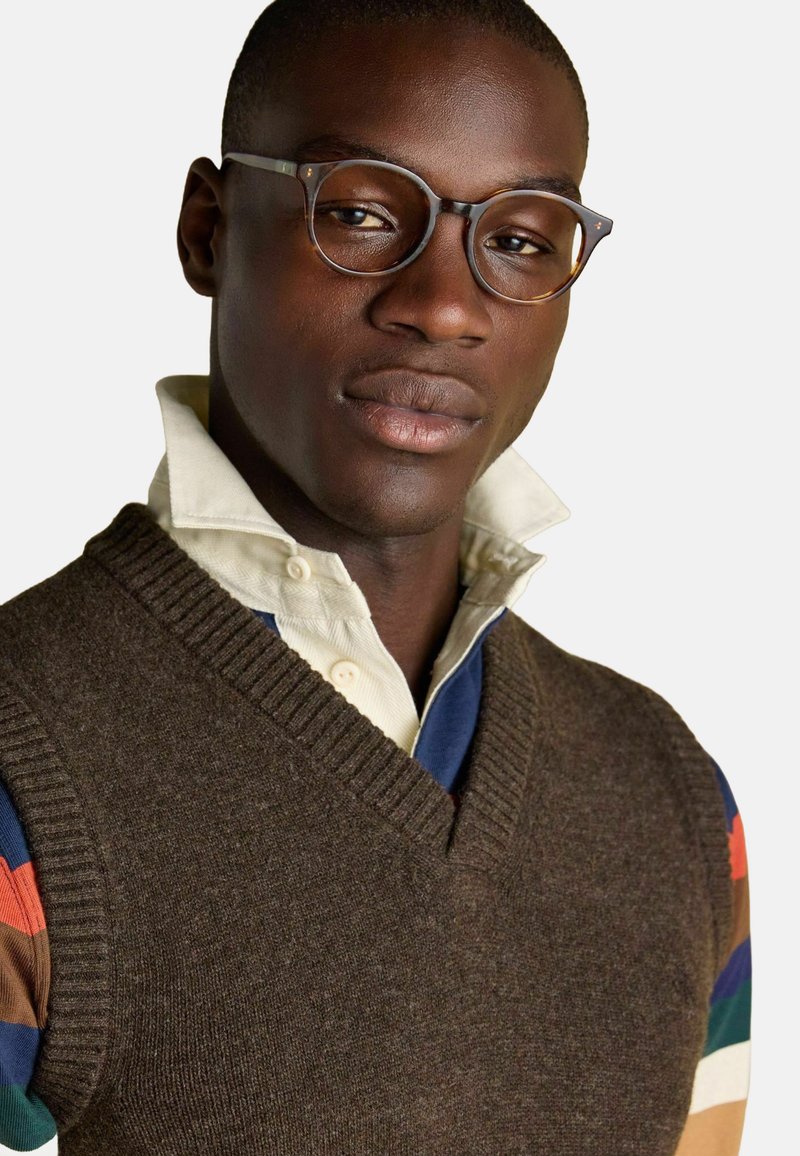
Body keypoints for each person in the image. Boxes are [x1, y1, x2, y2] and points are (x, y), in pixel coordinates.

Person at [0, 1, 751, 1153]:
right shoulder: (26, 751)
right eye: (356, 212)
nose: (442, 306)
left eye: (519, 239)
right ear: (207, 229)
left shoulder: (671, 800)